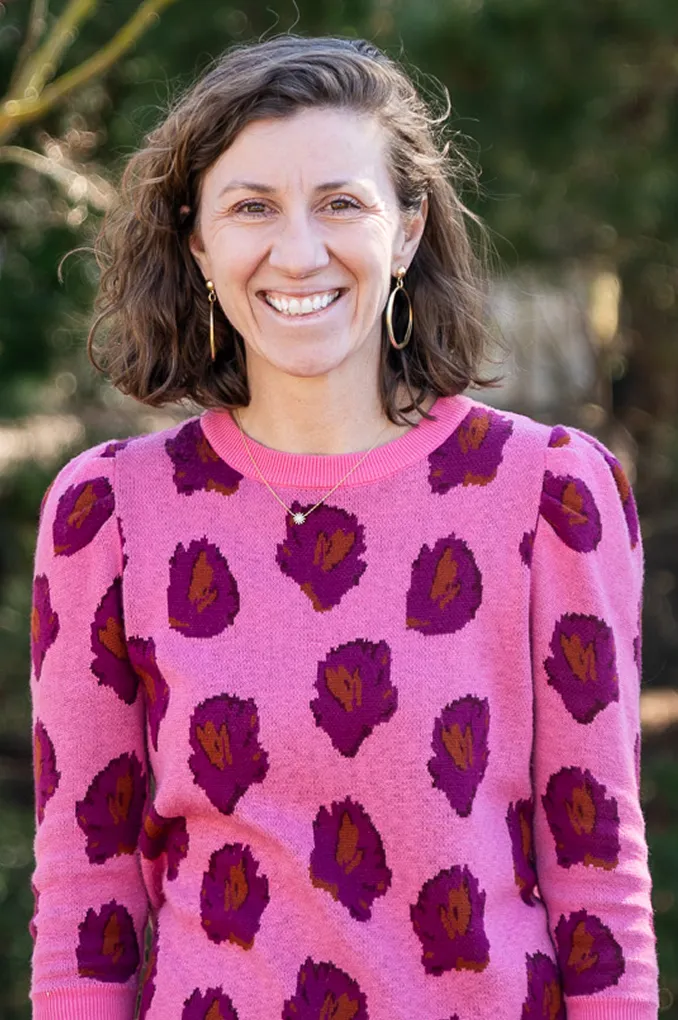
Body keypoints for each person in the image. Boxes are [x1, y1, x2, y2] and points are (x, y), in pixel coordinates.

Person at [28, 33, 659, 1020]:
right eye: (251, 208)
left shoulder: (550, 494)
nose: (298, 250)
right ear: (197, 241)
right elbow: (87, 893)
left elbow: (597, 876)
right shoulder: (109, 513)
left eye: (340, 203)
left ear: (405, 231)